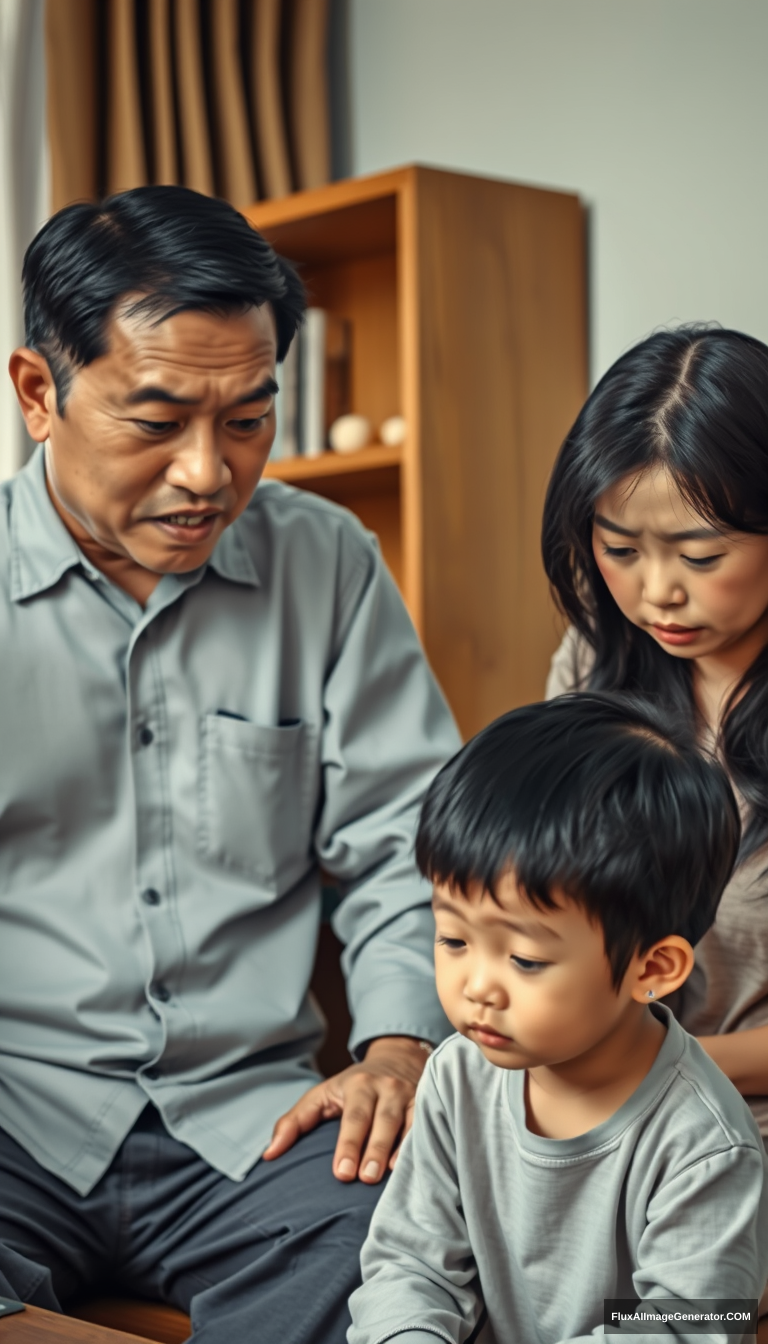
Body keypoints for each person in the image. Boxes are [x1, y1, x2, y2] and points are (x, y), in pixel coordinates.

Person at [0, 185, 460, 1343]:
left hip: (257, 1123)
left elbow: (412, 847)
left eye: (249, 419)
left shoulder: (329, 563)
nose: (209, 472)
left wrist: (398, 1052)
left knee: (418, 1251)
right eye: (157, 420)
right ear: (37, 393)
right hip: (16, 1116)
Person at [347, 694, 768, 1344]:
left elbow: (682, 1330)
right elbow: (412, 1263)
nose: (476, 987)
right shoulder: (457, 1077)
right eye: (454, 940)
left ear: (652, 969)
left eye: (524, 958)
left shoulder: (707, 1146)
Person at [541, 326, 768, 1153]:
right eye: (621, 549)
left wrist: (655, 1066)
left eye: (701, 556)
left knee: (676, 1290)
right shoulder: (594, 666)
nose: (657, 592)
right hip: (601, 1107)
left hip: (737, 1124)